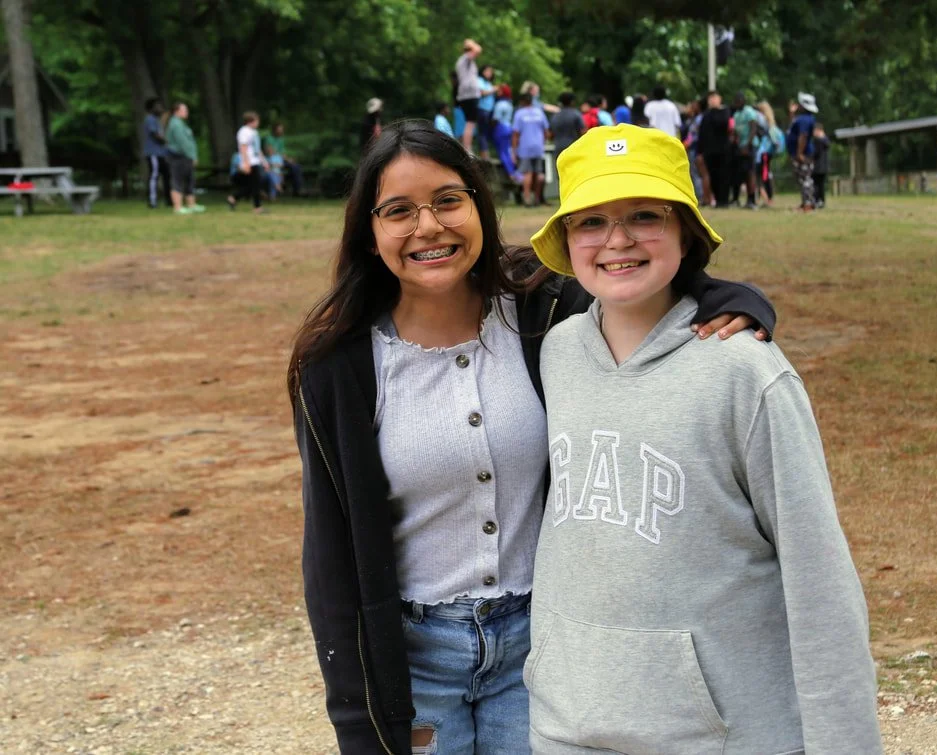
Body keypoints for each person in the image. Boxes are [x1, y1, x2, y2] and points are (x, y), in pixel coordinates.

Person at [288, 120, 777, 755]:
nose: (428, 227)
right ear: (369, 232)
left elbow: (631, 274)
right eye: (398, 211)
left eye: (447, 200)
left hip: (539, 645)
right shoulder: (338, 365)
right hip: (414, 661)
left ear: (479, 207)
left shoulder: (541, 311)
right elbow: (329, 553)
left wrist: (731, 297)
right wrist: (358, 719)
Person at [525, 122, 882, 754]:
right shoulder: (556, 352)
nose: (618, 240)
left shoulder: (745, 372)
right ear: (566, 238)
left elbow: (818, 577)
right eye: (590, 221)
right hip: (567, 728)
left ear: (687, 231)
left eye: (644, 215)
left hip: (723, 735)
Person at [163, 102, 204, 215]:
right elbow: (183, 143)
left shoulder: (180, 123)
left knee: (189, 179)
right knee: (178, 180)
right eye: (184, 110)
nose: (186, 112)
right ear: (177, 111)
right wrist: (192, 156)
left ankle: (191, 204)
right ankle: (178, 207)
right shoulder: (175, 124)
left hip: (185, 157)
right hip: (179, 157)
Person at [512, 92, 550, 206]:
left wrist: (514, 150)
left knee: (527, 173)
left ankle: (527, 198)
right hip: (538, 147)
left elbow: (516, 133)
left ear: (522, 102)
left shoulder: (519, 114)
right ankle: (537, 198)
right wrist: (542, 143)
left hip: (525, 147)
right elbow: (546, 131)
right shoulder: (540, 112)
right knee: (538, 173)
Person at [228, 111, 268, 214]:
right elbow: (243, 148)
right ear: (251, 121)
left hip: (255, 161)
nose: (258, 123)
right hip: (249, 161)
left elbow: (257, 149)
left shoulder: (254, 132)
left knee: (252, 185)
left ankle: (233, 198)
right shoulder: (244, 132)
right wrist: (246, 163)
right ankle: (257, 207)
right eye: (257, 121)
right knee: (255, 185)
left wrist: (264, 161)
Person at [697, 90, 731, 208]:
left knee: (723, 175)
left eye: (715, 98)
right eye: (711, 99)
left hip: (723, 149)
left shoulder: (724, 112)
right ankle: (716, 199)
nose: (712, 100)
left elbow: (722, 124)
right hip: (709, 150)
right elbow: (701, 134)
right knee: (713, 175)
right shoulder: (706, 115)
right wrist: (699, 151)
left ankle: (724, 200)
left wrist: (715, 110)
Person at [730, 91, 762, 209]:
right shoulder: (736, 114)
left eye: (738, 101)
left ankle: (752, 199)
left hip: (750, 146)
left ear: (743, 101)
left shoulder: (749, 112)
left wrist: (747, 145)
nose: (737, 104)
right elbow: (736, 131)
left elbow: (753, 128)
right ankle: (737, 199)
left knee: (750, 173)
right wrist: (736, 142)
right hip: (740, 147)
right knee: (741, 173)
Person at [787, 92, 818, 211]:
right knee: (801, 178)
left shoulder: (804, 120)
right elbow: (792, 127)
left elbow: (803, 136)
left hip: (803, 154)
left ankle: (808, 204)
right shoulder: (801, 119)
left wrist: (799, 153)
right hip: (798, 153)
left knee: (806, 179)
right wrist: (792, 113)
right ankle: (805, 202)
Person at [455, 39, 483, 153]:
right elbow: (478, 49)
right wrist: (470, 43)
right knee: (470, 123)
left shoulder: (462, 61)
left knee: (469, 122)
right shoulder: (465, 59)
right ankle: (468, 148)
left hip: (465, 95)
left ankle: (467, 147)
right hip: (470, 95)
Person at [755, 100, 783, 207]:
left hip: (764, 152)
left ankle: (768, 199)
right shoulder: (770, 123)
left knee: (764, 175)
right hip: (765, 152)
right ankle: (765, 198)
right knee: (763, 175)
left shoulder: (763, 121)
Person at [143, 97, 170, 209]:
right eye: (157, 106)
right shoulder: (150, 119)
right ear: (151, 108)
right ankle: (152, 200)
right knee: (154, 176)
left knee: (167, 176)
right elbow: (156, 136)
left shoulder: (157, 121)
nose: (160, 108)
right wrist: (167, 141)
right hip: (153, 153)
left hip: (162, 153)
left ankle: (169, 200)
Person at [490, 84, 521, 183]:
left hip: (500, 128)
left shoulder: (499, 104)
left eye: (499, 91)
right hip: (508, 127)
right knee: (507, 151)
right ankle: (515, 172)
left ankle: (512, 174)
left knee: (502, 153)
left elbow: (496, 119)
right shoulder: (509, 104)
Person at [264, 122, 304, 196]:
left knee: (296, 167)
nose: (281, 131)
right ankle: (278, 189)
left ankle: (297, 191)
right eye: (279, 130)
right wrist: (280, 155)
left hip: (281, 159)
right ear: (274, 130)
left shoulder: (281, 139)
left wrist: (288, 159)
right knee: (277, 169)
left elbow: (282, 153)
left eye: (282, 130)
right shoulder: (269, 138)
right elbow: (270, 152)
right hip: (272, 161)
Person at [549, 91, 585, 160]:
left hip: (558, 148)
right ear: (572, 102)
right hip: (573, 147)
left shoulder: (555, 116)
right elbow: (582, 131)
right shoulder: (576, 114)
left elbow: (550, 134)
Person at [476, 64, 497, 158]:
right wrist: (494, 90)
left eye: (490, 71)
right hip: (482, 109)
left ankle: (487, 154)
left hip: (489, 110)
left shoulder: (488, 83)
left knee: (486, 133)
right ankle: (485, 156)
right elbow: (482, 93)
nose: (489, 73)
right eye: (487, 71)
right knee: (482, 134)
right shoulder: (479, 80)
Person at [813, 122, 831, 208]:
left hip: (818, 167)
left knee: (818, 185)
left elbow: (815, 153)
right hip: (822, 167)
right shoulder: (824, 140)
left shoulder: (819, 141)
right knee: (819, 185)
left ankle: (818, 201)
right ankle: (819, 201)